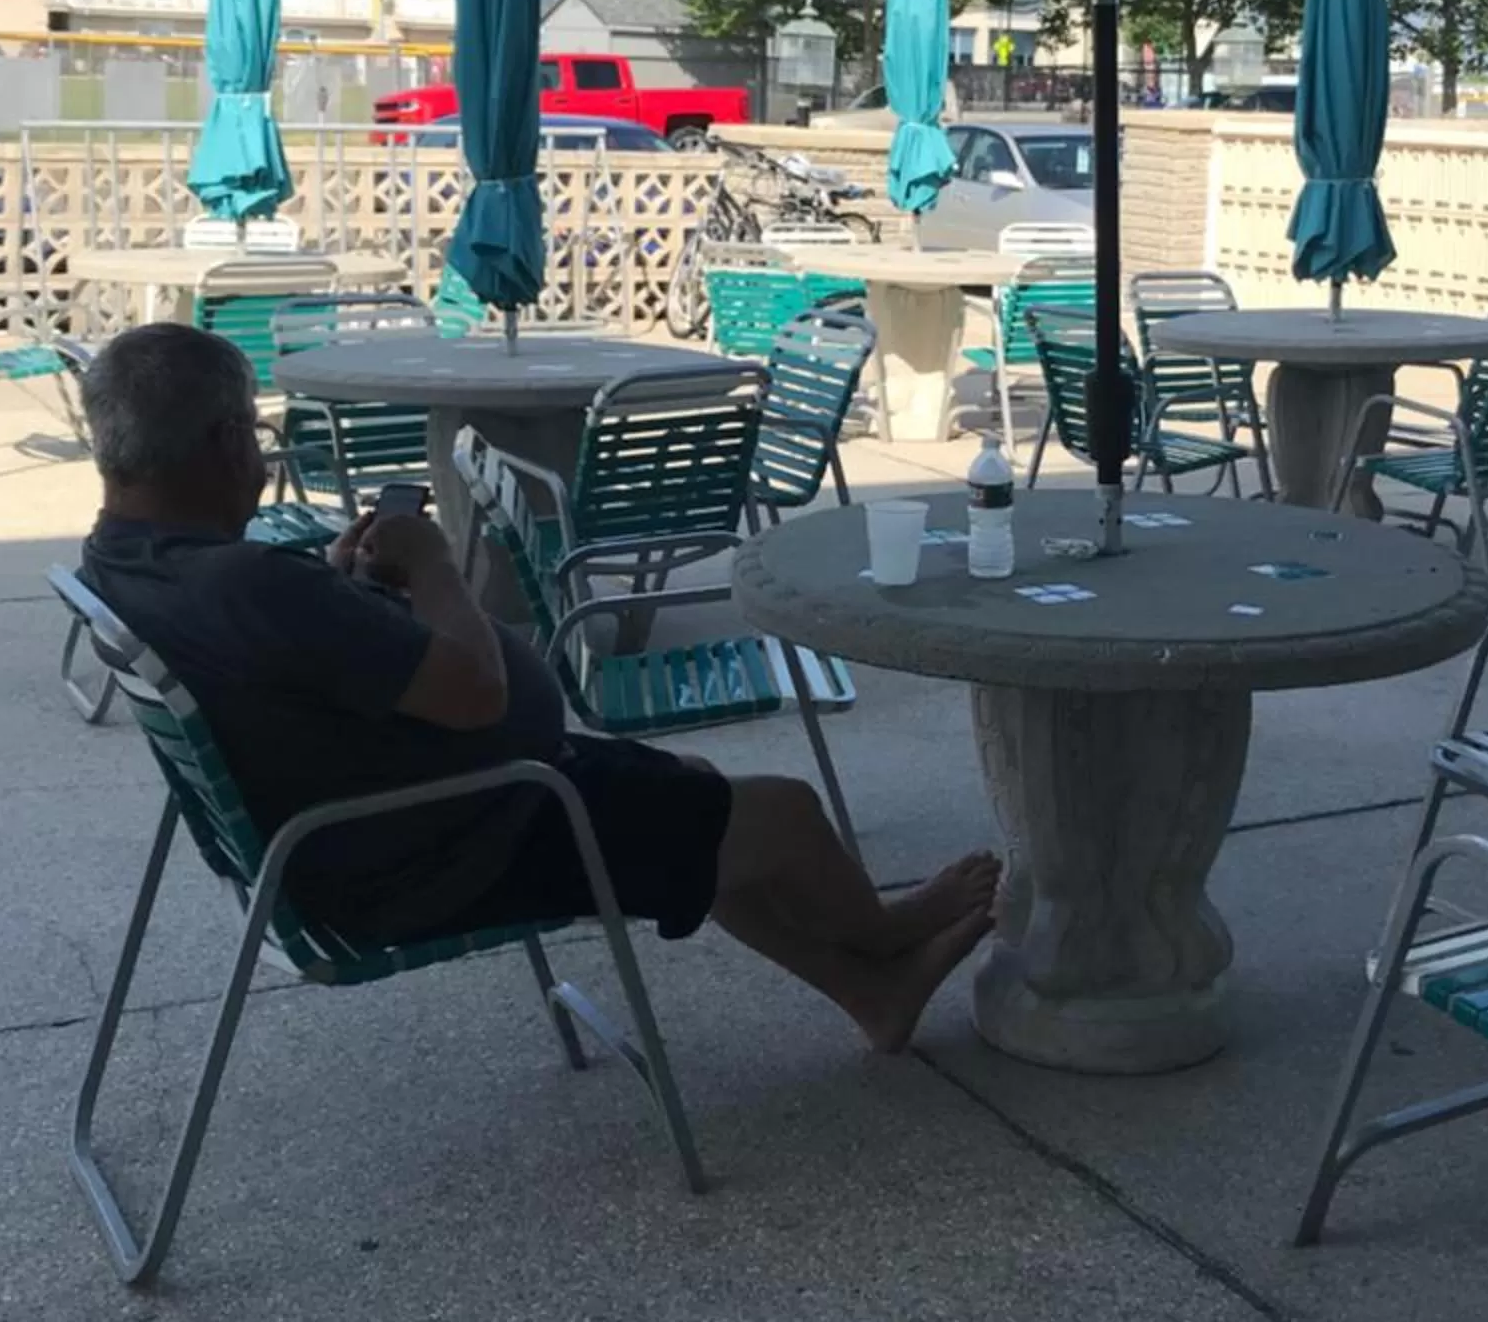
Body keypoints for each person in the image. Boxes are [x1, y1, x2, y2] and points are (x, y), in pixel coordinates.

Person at [76, 322, 995, 1053]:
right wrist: (435, 563)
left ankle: (871, 992)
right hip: (442, 849)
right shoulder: (243, 585)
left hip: (365, 833)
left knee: (683, 795)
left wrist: (339, 600)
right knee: (782, 812)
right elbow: (476, 694)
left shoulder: (122, 562)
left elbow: (293, 655)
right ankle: (877, 934)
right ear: (230, 438)